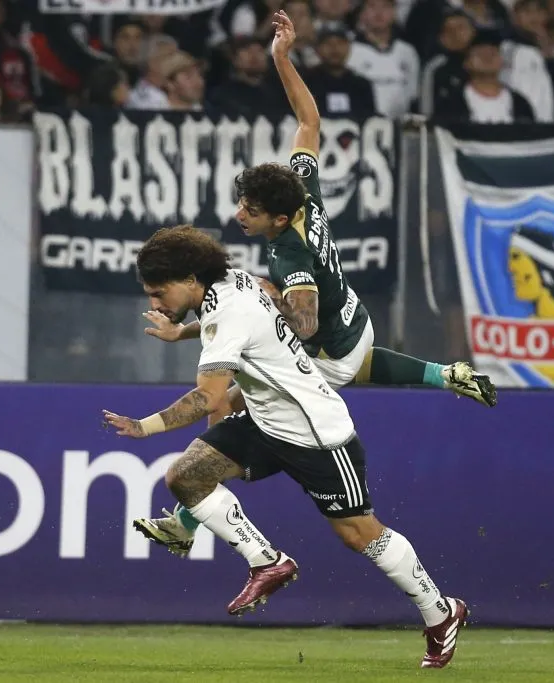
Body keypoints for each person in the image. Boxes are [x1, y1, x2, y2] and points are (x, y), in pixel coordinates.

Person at [134, 8, 496, 567]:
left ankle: (186, 524)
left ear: (277, 220)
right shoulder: (303, 188)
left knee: (230, 405)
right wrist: (282, 57)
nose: (239, 217)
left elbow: (301, 317)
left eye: (250, 211)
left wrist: (274, 302)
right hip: (354, 323)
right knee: (330, 365)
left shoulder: (287, 254)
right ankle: (447, 373)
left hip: (325, 347)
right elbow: (309, 120)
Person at [103, 225, 470, 670]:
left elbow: (209, 397)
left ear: (191, 279)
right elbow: (254, 306)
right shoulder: (232, 281)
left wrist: (145, 427)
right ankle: (267, 562)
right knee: (186, 475)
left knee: (358, 534)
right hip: (265, 420)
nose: (154, 304)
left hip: (317, 433)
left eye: (160, 292)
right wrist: (179, 333)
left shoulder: (226, 313)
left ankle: (440, 611)